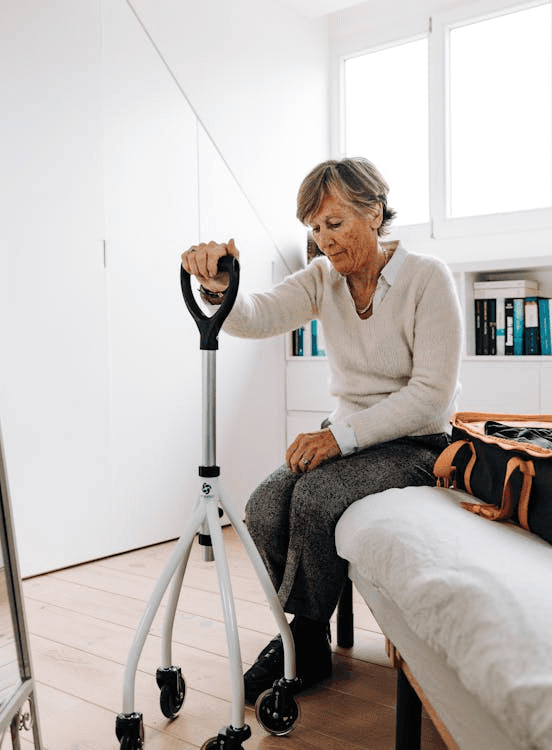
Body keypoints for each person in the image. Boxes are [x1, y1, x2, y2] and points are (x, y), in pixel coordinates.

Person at [181, 157, 462, 700]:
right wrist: (222, 286)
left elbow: (430, 399)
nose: (323, 242)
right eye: (313, 228)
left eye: (333, 224)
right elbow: (258, 315)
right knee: (263, 505)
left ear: (374, 212)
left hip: (416, 442)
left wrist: (338, 438)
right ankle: (303, 633)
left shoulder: (428, 279)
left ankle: (302, 641)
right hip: (351, 438)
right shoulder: (322, 279)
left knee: (314, 498)